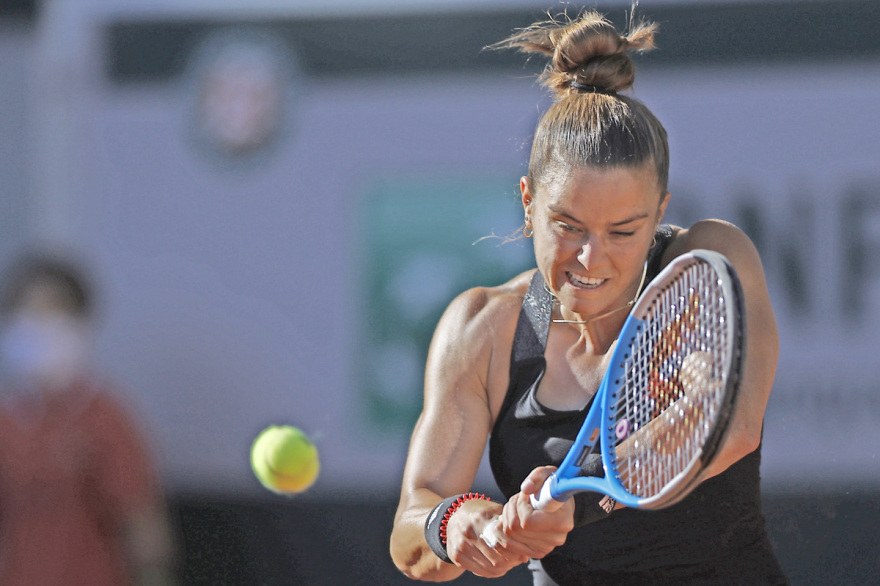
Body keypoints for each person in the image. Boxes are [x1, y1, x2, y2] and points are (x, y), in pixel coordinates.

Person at [390, 10, 789, 585]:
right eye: (569, 226)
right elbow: (412, 531)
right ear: (528, 203)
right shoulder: (480, 328)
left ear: (660, 212)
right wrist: (462, 526)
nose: (589, 259)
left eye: (623, 231)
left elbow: (725, 420)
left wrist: (568, 500)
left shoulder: (706, 262)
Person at [0, 252, 176, 585]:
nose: (35, 327)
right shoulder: (8, 421)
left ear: (78, 322)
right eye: (25, 312)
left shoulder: (104, 418)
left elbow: (144, 529)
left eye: (49, 313)